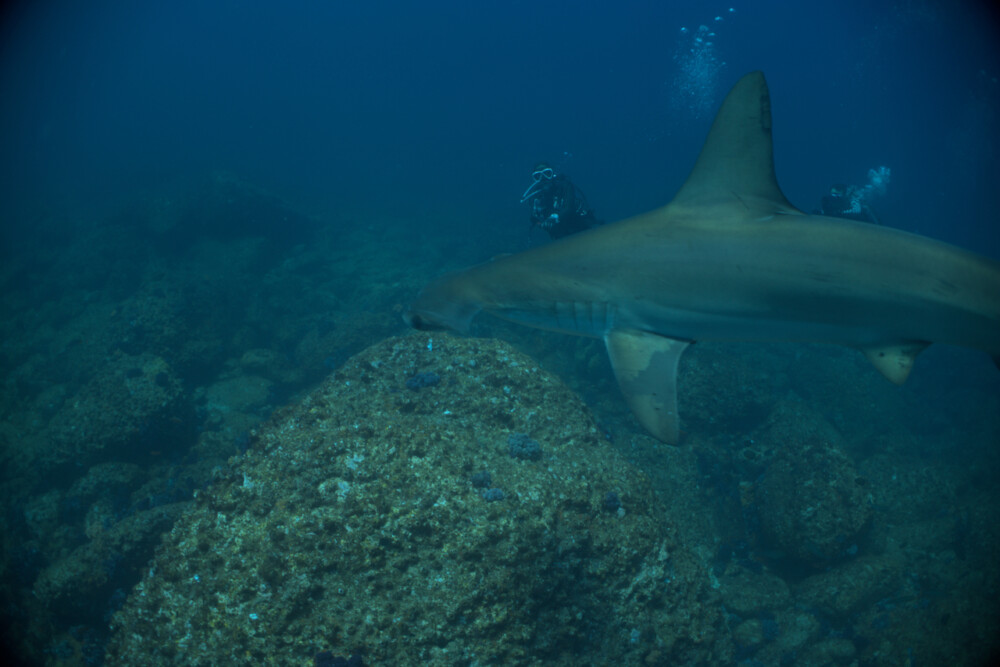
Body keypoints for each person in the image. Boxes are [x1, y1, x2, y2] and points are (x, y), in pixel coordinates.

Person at [519, 163, 600, 239]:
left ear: (552, 174)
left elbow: (569, 207)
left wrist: (555, 218)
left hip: (580, 224)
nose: (543, 178)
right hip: (560, 233)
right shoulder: (535, 198)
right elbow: (534, 218)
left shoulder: (565, 186)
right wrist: (542, 224)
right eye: (538, 176)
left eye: (547, 173)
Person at [818, 166, 891, 224]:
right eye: (832, 194)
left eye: (837, 195)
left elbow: (856, 211)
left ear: (844, 194)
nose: (834, 197)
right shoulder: (831, 202)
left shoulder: (853, 200)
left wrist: (839, 213)